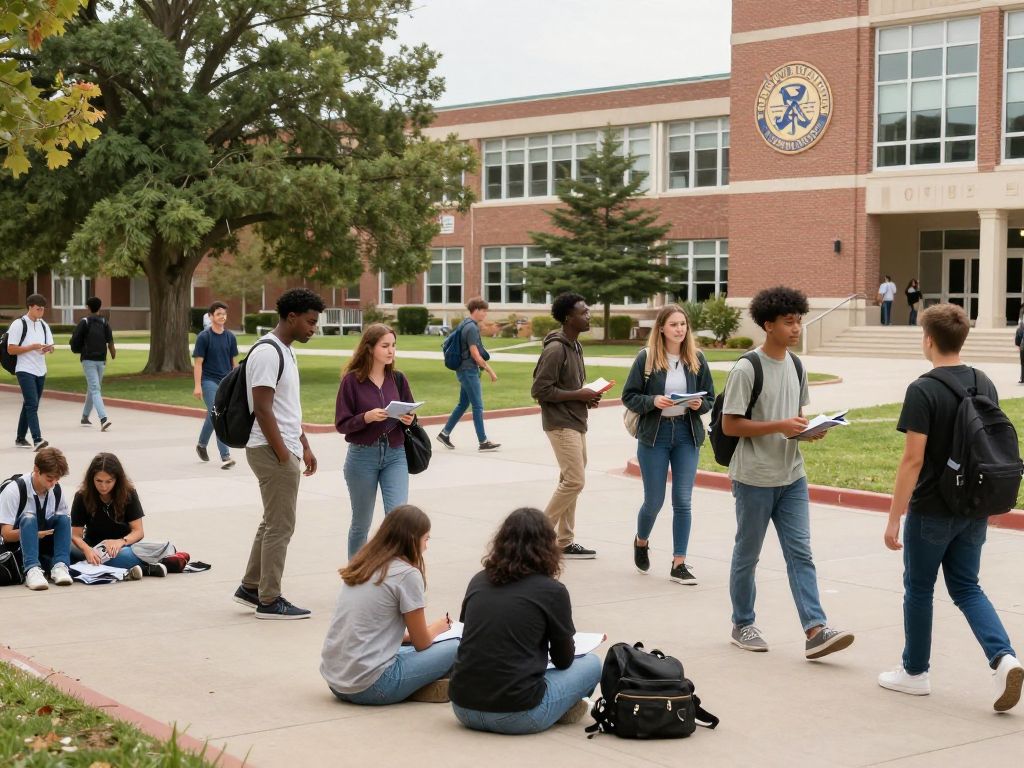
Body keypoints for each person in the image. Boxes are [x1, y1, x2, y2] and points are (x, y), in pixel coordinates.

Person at [879, 303, 1023, 711]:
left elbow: (913, 460)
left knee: (919, 589)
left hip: (932, 508)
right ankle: (1004, 658)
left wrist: (894, 517)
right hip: (973, 504)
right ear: (962, 338)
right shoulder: (984, 382)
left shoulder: (922, 389)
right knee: (966, 586)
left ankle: (915, 672)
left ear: (928, 340)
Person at [721, 286, 854, 659]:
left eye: (799, 321)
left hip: (792, 474)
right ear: (769, 325)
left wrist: (809, 432)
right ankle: (742, 623)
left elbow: (793, 419)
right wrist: (779, 425)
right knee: (748, 555)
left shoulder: (797, 366)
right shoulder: (748, 368)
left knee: (801, 554)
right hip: (754, 477)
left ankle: (816, 630)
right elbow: (731, 425)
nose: (796, 328)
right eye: (789, 322)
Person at [450, 507, 601, 734]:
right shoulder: (552, 591)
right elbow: (563, 660)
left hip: (463, 708)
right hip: (518, 715)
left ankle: (558, 705)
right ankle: (563, 706)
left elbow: (471, 634)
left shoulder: (478, 581)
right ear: (548, 547)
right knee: (592, 663)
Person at [233, 288, 323, 620]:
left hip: (281, 446)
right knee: (282, 525)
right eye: (311, 322)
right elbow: (263, 408)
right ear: (291, 317)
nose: (314, 328)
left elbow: (286, 409)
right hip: (270, 449)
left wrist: (305, 445)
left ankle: (251, 586)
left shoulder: (285, 350)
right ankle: (269, 600)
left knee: (272, 522)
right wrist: (284, 454)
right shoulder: (268, 353)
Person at [320, 505, 455, 705]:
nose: (426, 546)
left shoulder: (363, 564)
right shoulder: (407, 574)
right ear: (411, 540)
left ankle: (416, 684)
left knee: (407, 649)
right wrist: (440, 627)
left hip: (336, 681)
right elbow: (422, 642)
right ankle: (418, 686)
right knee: (459, 646)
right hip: (373, 686)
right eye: (426, 539)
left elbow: (368, 630)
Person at [622, 303, 715, 585]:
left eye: (683, 324)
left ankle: (679, 563)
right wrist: (653, 401)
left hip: (687, 435)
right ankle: (641, 541)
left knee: (683, 501)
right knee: (654, 501)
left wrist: (699, 404)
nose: (679, 329)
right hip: (655, 435)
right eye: (674, 324)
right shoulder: (647, 358)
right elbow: (629, 396)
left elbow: (710, 397)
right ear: (661, 328)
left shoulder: (696, 358)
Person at [531, 292, 605, 559]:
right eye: (583, 312)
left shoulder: (575, 346)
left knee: (569, 479)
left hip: (576, 420)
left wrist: (587, 397)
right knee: (575, 480)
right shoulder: (556, 349)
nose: (588, 316)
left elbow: (569, 387)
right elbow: (540, 390)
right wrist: (578, 395)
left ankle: (564, 541)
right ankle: (535, 538)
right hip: (560, 424)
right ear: (567, 318)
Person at [335, 323, 418, 558]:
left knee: (399, 519)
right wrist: (366, 417)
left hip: (395, 454)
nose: (391, 351)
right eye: (385, 346)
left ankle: (400, 575)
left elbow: (412, 414)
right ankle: (355, 577)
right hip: (362, 457)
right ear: (370, 348)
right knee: (361, 523)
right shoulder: (351, 381)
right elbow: (342, 424)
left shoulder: (398, 379)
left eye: (393, 345)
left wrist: (409, 419)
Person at [70, 452, 169, 580]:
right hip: (93, 547)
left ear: (117, 479)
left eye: (108, 481)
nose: (103, 486)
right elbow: (76, 536)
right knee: (68, 549)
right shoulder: (82, 496)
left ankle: (95, 567)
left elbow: (138, 531)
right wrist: (87, 550)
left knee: (127, 554)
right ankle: (142, 568)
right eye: (98, 481)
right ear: (91, 479)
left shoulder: (129, 494)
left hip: (122, 547)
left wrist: (120, 542)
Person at [0, 447, 73, 590]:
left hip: (43, 541)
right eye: (49, 478)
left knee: (64, 518)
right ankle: (31, 569)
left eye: (57, 479)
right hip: (18, 545)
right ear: (36, 470)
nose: (53, 483)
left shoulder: (55, 490)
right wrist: (33, 534)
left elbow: (62, 526)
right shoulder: (14, 490)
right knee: (28, 518)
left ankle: (60, 566)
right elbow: (6, 535)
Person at [436, 297, 500, 452]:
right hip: (468, 371)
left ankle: (444, 434)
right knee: (478, 406)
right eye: (484, 311)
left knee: (463, 404)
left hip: (464, 370)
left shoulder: (465, 323)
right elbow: (475, 354)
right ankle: (483, 441)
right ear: (476, 310)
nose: (485, 314)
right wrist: (490, 371)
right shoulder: (471, 328)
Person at [192, 301, 239, 469]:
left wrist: (236, 383)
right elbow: (198, 363)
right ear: (211, 316)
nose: (222, 317)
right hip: (208, 381)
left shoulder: (230, 337)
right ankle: (225, 456)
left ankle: (201, 445)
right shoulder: (204, 337)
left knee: (213, 415)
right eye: (218, 314)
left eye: (224, 314)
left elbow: (234, 363)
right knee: (218, 414)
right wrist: (197, 386)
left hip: (225, 381)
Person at [7, 293, 54, 450]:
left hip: (41, 369)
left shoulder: (43, 325)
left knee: (30, 404)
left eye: (42, 309)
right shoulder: (18, 324)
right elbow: (11, 349)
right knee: (32, 404)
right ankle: (37, 439)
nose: (41, 312)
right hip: (24, 369)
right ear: (30, 307)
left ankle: (20, 438)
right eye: (38, 309)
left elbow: (49, 346)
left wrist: (49, 349)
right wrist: (31, 347)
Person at [71, 296, 116, 431]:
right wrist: (113, 354)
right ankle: (103, 419)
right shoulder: (105, 322)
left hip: (88, 359)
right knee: (96, 388)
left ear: (88, 307)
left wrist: (79, 350)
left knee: (93, 388)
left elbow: (75, 340)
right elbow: (110, 342)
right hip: (101, 360)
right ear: (99, 307)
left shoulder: (84, 322)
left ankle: (85, 417)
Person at [1015, 307, 1024, 385]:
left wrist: (1018, 344)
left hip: (1022, 347)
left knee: (1023, 363)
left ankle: (1023, 378)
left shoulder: (1020, 328)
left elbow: (1018, 338)